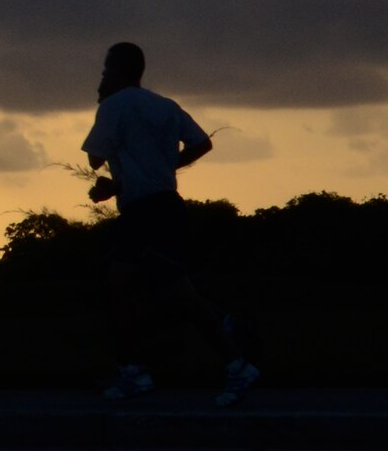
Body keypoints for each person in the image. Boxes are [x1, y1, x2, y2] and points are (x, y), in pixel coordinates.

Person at [82, 42, 258, 406]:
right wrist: (163, 168)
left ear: (119, 70)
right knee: (157, 289)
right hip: (165, 207)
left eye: (105, 69)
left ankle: (147, 369)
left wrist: (103, 103)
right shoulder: (164, 106)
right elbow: (201, 143)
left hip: (144, 213)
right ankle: (145, 368)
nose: (102, 75)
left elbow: (96, 157)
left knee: (133, 285)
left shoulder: (113, 105)